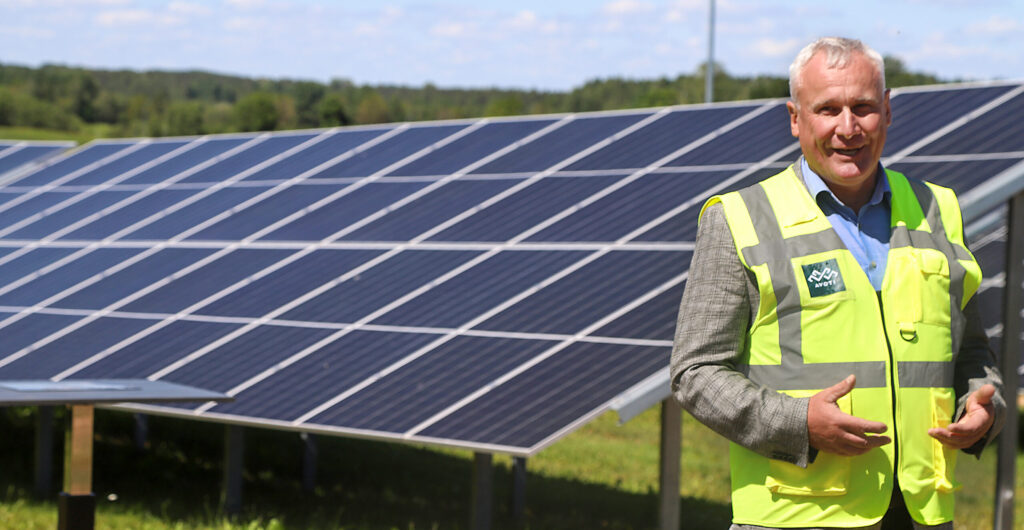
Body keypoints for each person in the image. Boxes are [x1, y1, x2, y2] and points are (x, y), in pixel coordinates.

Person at [669, 37, 1006, 529]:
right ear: (795, 118)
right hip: (796, 514)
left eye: (863, 107)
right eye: (828, 109)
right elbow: (695, 372)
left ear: (887, 111)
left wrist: (984, 406)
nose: (848, 128)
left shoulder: (938, 210)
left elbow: (971, 352)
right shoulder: (740, 220)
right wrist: (798, 424)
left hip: (922, 513)